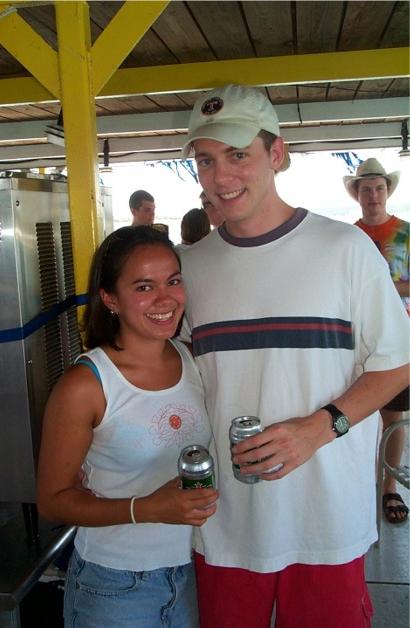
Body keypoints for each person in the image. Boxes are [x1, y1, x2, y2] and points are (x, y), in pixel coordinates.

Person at [178, 84, 409, 628]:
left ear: (276, 154)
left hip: (327, 519)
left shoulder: (345, 249)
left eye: (238, 155)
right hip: (227, 520)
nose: (221, 176)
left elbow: (397, 362)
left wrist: (320, 428)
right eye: (206, 160)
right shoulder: (190, 267)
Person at [37, 226, 218, 628]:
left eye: (173, 281)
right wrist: (146, 508)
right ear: (109, 298)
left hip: (192, 571)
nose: (165, 299)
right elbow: (52, 501)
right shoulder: (86, 385)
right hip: (114, 585)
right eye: (143, 287)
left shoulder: (192, 359)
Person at [343, 158, 410, 524]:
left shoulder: (405, 233)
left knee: (393, 416)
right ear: (357, 195)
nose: (373, 195)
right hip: (355, 342)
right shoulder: (347, 238)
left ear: (388, 192)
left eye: (379, 188)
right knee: (355, 415)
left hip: (399, 340)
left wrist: (384, 288)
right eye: (366, 189)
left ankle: (389, 486)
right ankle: (359, 485)